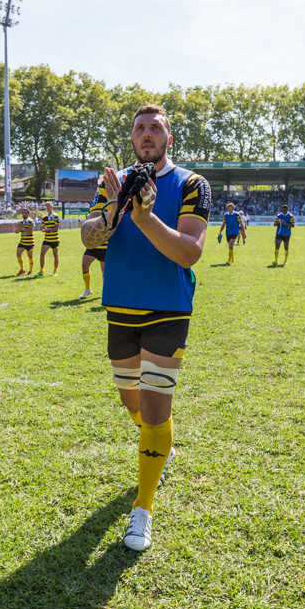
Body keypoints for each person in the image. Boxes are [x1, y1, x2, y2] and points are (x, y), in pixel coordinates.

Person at [80, 103, 212, 552]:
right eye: (140, 128)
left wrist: (144, 216)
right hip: (120, 307)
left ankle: (143, 509)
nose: (147, 134)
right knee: (132, 401)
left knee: (155, 410)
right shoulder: (113, 183)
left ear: (168, 139)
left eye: (156, 128)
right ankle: (160, 444)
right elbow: (88, 235)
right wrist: (117, 208)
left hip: (168, 309)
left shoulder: (192, 183)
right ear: (132, 138)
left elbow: (189, 252)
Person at [37, 201, 60, 276]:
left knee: (55, 255)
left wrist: (47, 229)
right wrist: (43, 230)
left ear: (52, 207)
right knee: (42, 254)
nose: (48, 207)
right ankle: (41, 271)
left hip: (55, 239)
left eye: (49, 206)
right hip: (47, 239)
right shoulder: (44, 218)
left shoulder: (56, 216)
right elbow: (42, 228)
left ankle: (55, 271)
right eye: (46, 206)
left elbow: (56, 228)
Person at [15, 207, 35, 275]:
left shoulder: (31, 222)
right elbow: (16, 232)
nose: (24, 214)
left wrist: (22, 228)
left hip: (30, 242)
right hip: (22, 242)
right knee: (18, 254)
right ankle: (22, 269)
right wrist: (18, 227)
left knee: (30, 256)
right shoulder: (21, 222)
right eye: (23, 213)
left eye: (25, 213)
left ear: (28, 214)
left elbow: (30, 231)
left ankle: (30, 271)